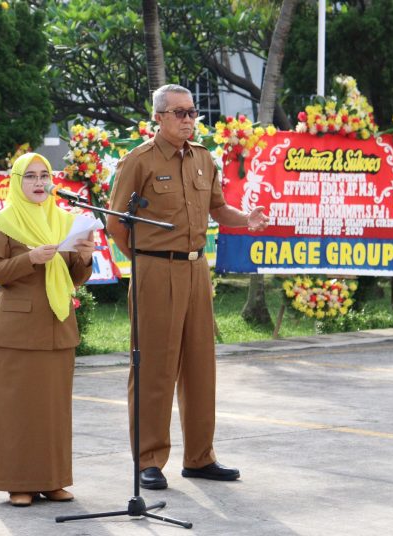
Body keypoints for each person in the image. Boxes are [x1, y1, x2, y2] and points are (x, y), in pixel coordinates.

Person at [106, 84, 269, 490]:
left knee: (200, 367)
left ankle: (200, 457)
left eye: (192, 112)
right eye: (179, 113)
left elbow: (217, 207)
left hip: (197, 270)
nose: (188, 119)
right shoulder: (138, 162)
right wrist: (144, 260)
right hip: (157, 271)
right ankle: (148, 460)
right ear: (158, 117)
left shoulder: (202, 158)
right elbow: (115, 224)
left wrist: (246, 218)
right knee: (155, 369)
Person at [0, 152, 95, 507]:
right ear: (17, 182)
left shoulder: (64, 221)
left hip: (57, 327)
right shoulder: (3, 223)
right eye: (30, 176)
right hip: (15, 332)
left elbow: (75, 277)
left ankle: (53, 480)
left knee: (53, 410)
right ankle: (19, 483)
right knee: (16, 410)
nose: (39, 183)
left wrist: (86, 256)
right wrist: (28, 259)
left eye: (44, 175)